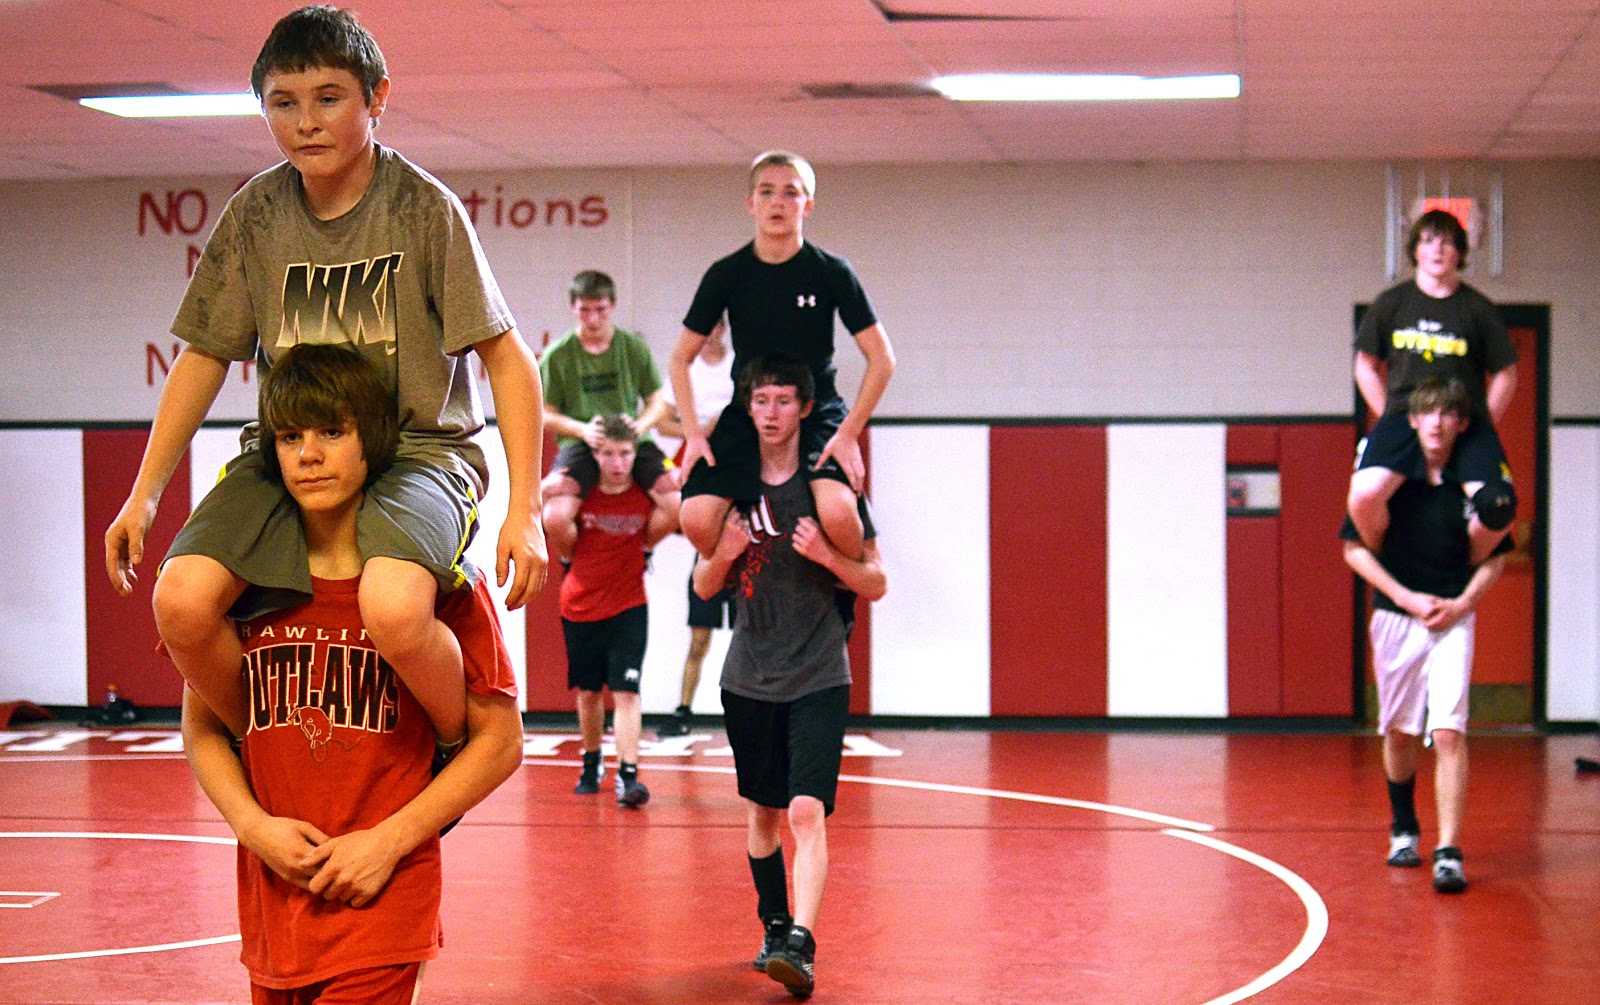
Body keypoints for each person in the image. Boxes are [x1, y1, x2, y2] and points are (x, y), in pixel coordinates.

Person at [103, 5, 547, 755]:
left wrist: (524, 510)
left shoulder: (422, 209)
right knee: (179, 602)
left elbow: (509, 358)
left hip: (416, 452)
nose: (306, 122)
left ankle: (446, 744)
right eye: (283, 103)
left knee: (394, 607)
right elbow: (204, 356)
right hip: (294, 448)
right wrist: (145, 493)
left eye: (329, 98)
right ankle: (265, 741)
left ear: (377, 97)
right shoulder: (255, 215)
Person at [182, 343, 524, 1002]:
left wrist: (389, 842)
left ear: (372, 441)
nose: (308, 454)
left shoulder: (432, 583)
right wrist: (252, 827)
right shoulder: (242, 579)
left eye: (332, 433)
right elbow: (203, 727)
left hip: (382, 893)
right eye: (290, 437)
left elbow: (501, 742)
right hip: (274, 898)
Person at [692, 355, 887, 998]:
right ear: (747, 408)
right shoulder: (733, 487)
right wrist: (722, 554)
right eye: (761, 401)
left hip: (819, 671)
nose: (771, 413)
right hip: (749, 676)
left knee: (806, 810)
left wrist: (828, 556)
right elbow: (702, 584)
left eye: (783, 401)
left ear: (804, 408)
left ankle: (800, 944)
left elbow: (876, 581)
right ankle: (774, 926)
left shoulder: (829, 486)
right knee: (763, 814)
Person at [668, 150, 896, 570]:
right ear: (750, 203)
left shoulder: (831, 272)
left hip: (817, 409)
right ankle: (743, 579)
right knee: (696, 518)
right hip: (749, 411)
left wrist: (848, 433)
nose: (778, 202)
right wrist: (694, 436)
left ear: (807, 205)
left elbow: (882, 359)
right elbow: (680, 358)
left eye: (791, 193)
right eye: (766, 192)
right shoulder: (727, 273)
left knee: (839, 515)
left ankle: (839, 582)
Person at [1341, 377, 1513, 895]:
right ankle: (1404, 827)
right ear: (1412, 421)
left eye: (1448, 413)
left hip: (1453, 618)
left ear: (1461, 423)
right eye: (1428, 413)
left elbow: (1496, 557)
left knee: (1449, 730)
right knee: (1398, 731)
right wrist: (1407, 597)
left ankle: (1449, 851)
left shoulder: (1473, 485)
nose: (1437, 422)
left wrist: (1463, 604)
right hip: (1398, 616)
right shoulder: (1388, 482)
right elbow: (1353, 550)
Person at [1349, 208, 1519, 554]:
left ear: (1460, 252)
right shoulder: (1391, 304)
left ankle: (1466, 564)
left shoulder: (1478, 309)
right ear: (1415, 250)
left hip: (1462, 418)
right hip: (1404, 414)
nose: (1438, 250)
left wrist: (1483, 420)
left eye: (1447, 242)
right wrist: (1389, 413)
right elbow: (1364, 366)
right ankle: (1384, 556)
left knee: (1499, 505)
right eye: (1428, 241)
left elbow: (1506, 374)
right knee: (1364, 495)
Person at [558, 415, 676, 806]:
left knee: (627, 691)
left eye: (625, 453)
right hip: (580, 606)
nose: (617, 463)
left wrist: (646, 547)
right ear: (594, 455)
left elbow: (675, 509)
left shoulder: (646, 495)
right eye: (608, 454)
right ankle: (591, 762)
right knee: (589, 692)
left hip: (629, 606)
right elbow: (550, 514)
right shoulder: (580, 496)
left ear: (635, 454)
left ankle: (628, 776)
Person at [540, 269, 679, 562]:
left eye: (600, 310)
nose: (592, 319)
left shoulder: (633, 348)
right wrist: (582, 430)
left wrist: (639, 426)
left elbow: (658, 402)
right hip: (581, 443)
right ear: (573, 308)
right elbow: (544, 414)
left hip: (631, 442)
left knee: (676, 502)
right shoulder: (557, 355)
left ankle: (640, 553)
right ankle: (574, 563)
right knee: (555, 517)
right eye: (585, 310)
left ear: (612, 306)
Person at [657, 319, 736, 736]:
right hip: (707, 526)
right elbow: (661, 423)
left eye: (716, 325)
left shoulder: (738, 367)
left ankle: (753, 708)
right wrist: (698, 431)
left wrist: (724, 428)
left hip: (738, 521)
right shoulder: (684, 369)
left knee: (749, 633)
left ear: (724, 327)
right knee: (699, 636)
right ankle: (683, 710)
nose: (710, 333)